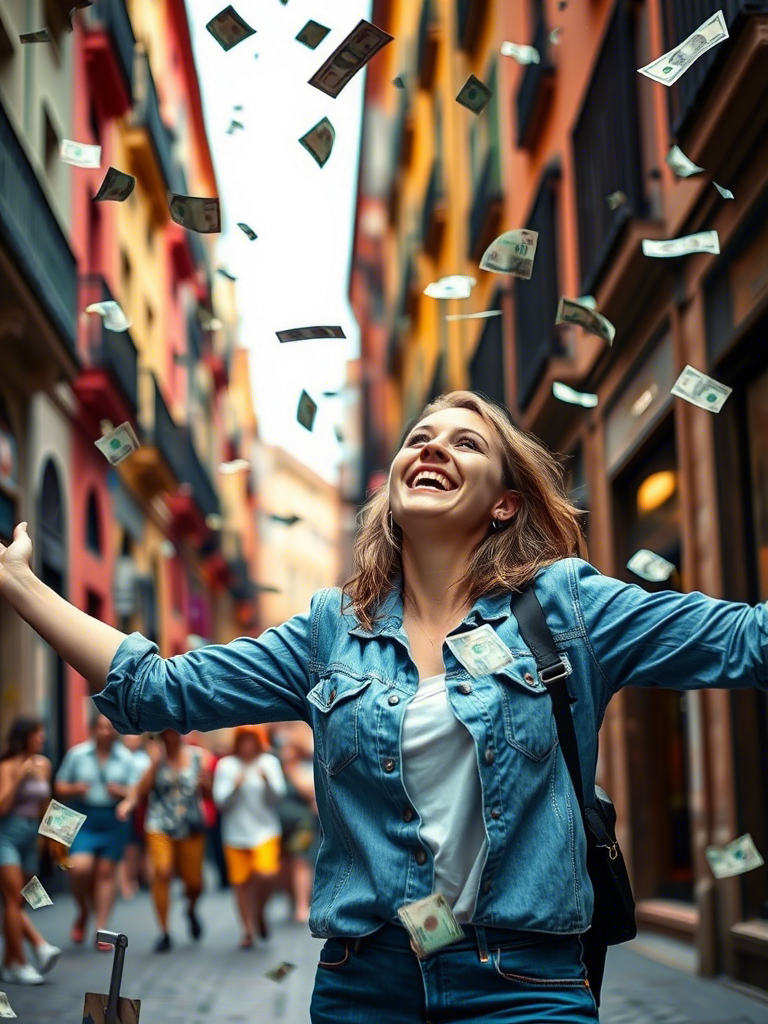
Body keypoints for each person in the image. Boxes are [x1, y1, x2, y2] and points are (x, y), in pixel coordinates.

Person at [3, 390, 768, 1021]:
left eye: (465, 443)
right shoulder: (330, 630)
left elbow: (746, 641)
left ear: (505, 505)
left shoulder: (566, 605)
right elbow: (154, 693)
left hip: (524, 987)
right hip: (364, 985)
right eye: (420, 437)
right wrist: (21, 586)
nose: (431, 447)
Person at [118, 729, 210, 953]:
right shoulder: (153, 758)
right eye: (165, 733)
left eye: (174, 731)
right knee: (162, 871)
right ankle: (164, 931)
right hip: (159, 824)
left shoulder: (198, 756)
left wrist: (205, 783)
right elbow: (141, 791)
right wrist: (154, 763)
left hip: (190, 826)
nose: (171, 736)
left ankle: (190, 909)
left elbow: (209, 794)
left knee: (194, 882)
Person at [54, 711, 135, 948]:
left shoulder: (126, 758)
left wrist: (121, 792)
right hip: (81, 816)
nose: (105, 732)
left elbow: (136, 791)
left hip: (113, 818)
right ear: (93, 729)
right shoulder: (77, 754)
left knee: (105, 873)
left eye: (110, 727)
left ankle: (101, 929)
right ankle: (83, 911)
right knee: (79, 868)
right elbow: (59, 786)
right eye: (101, 727)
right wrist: (75, 788)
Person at [213, 725, 286, 947]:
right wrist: (234, 787)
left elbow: (277, 797)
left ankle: (259, 911)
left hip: (265, 831)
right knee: (241, 883)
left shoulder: (268, 763)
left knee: (267, 873)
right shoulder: (227, 765)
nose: (247, 745)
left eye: (251, 740)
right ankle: (247, 930)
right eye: (242, 740)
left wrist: (266, 782)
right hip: (235, 834)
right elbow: (220, 802)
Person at [0, 717, 61, 985]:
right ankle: (20, 963)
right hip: (7, 835)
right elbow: (1, 806)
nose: (42, 738)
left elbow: (46, 803)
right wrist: (18, 778)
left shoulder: (44, 765)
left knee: (18, 902)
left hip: (30, 838)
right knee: (13, 898)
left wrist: (54, 838)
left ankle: (9, 962)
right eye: (37, 734)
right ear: (24, 736)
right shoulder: (8, 765)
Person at [271, 721, 319, 924]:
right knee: (283, 865)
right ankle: (293, 901)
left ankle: (301, 905)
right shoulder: (274, 764)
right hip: (279, 821)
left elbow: (309, 792)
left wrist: (291, 769)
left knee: (300, 861)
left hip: (303, 821)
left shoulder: (304, 767)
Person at [117, 733, 150, 901]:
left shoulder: (144, 758)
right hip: (119, 806)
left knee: (138, 844)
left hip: (140, 806)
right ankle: (126, 883)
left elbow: (143, 786)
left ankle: (139, 879)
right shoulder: (118, 756)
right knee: (126, 847)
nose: (132, 740)